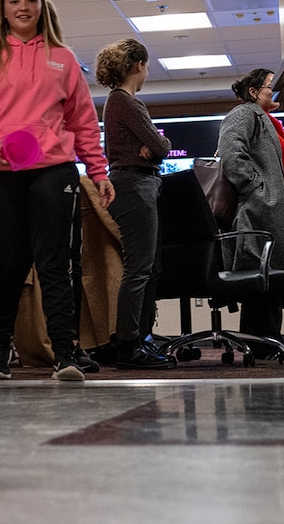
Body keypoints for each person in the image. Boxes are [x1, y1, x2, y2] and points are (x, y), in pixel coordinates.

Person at [0, 0, 115, 381]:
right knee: (8, 266)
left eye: (30, 0)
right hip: (0, 173)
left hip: (53, 170)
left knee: (55, 266)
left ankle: (65, 355)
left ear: (41, 7)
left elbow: (83, 121)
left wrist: (98, 171)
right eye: (13, 0)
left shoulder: (63, 59)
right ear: (2, 9)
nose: (22, 7)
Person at [95, 38, 175, 369]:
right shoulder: (125, 102)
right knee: (140, 269)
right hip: (134, 185)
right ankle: (129, 346)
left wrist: (154, 146)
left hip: (136, 184)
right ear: (138, 65)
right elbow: (160, 146)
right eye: (147, 66)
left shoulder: (120, 103)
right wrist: (157, 143)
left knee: (149, 268)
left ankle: (139, 339)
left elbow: (154, 148)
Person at [219, 68, 284, 345]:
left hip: (271, 208)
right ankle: (262, 346)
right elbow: (230, 152)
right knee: (263, 278)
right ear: (253, 92)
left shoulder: (267, 120)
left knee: (269, 279)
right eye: (269, 86)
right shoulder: (244, 114)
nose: (273, 92)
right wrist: (255, 188)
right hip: (258, 209)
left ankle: (265, 345)